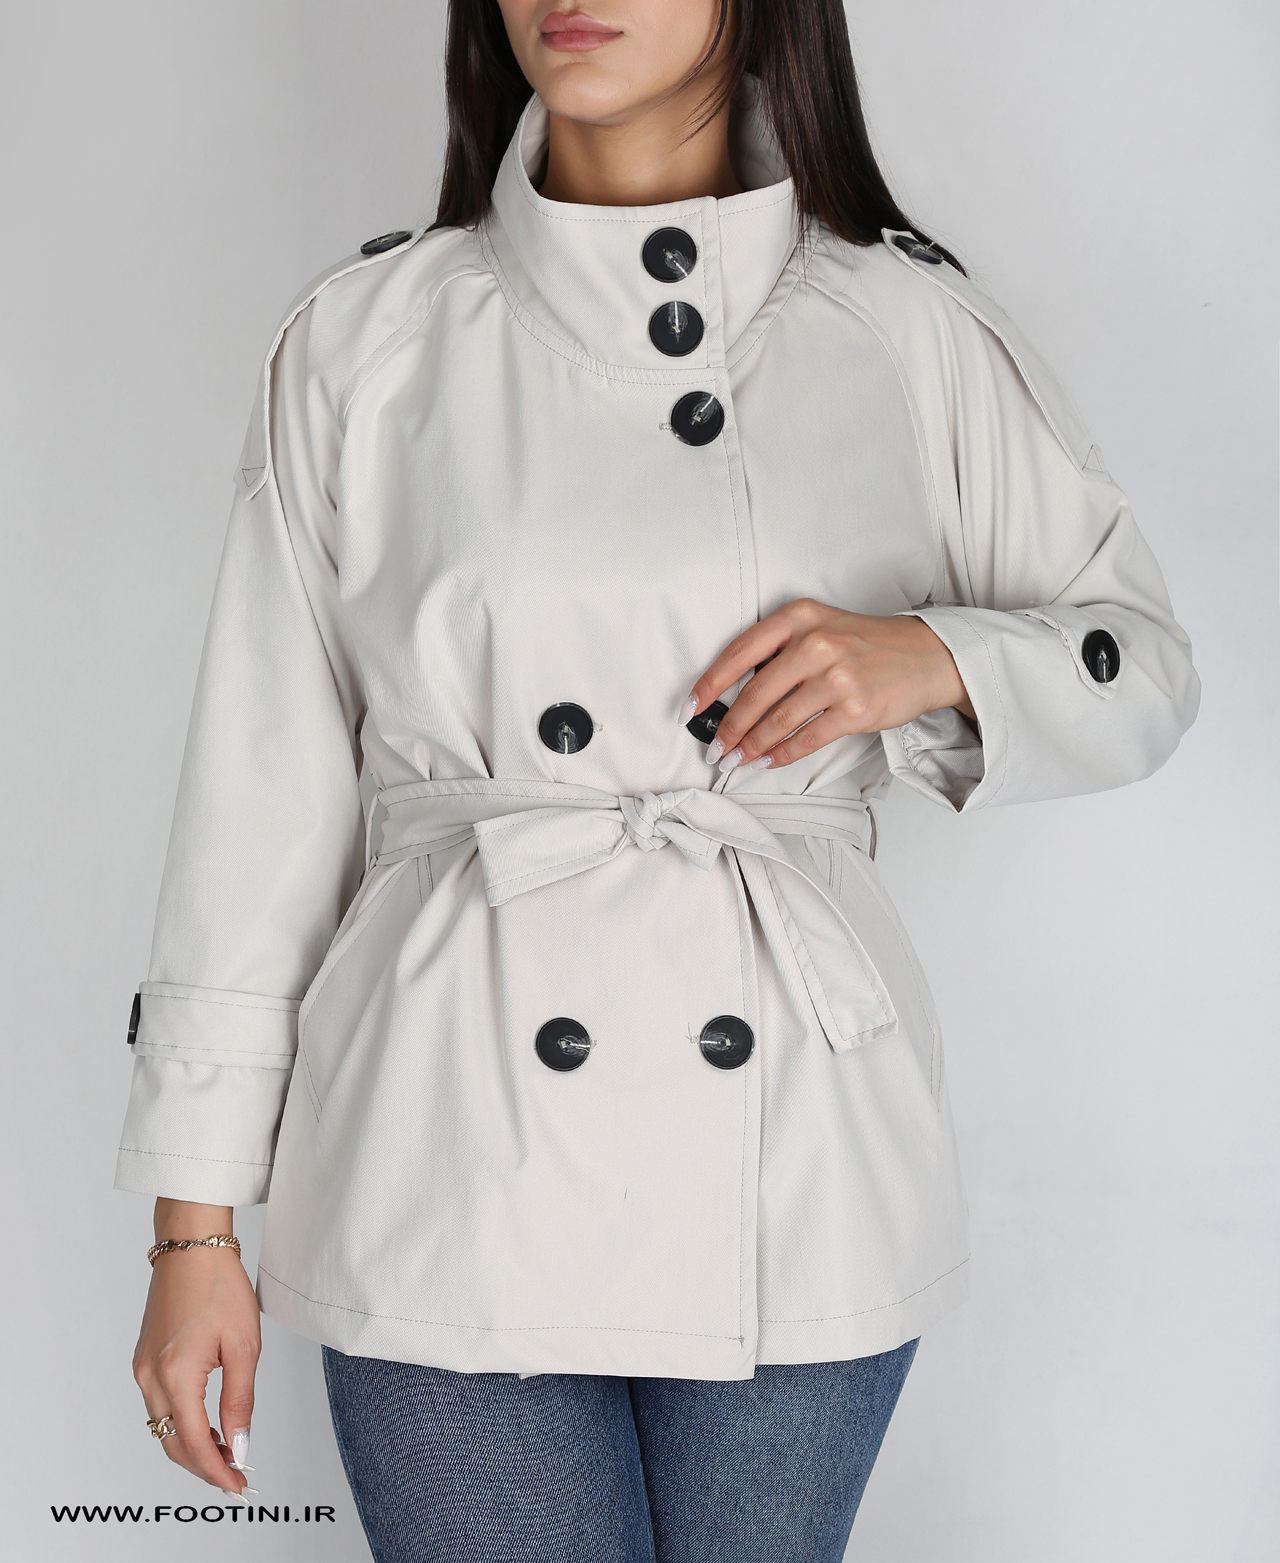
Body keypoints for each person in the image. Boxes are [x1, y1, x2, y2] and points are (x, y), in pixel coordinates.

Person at [119, 1, 1201, 1558]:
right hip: (446, 1132)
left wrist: (936, 660)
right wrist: (192, 1229)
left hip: (797, 1148)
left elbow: (1139, 666)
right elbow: (259, 803)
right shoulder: (367, 340)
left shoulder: (903, 326)